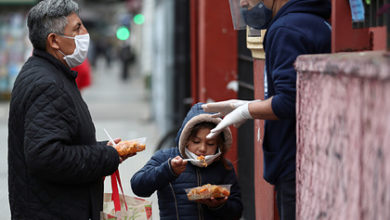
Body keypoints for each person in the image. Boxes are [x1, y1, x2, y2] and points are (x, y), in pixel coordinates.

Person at [203, 0, 331, 219]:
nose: (243, 3)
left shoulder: (285, 29)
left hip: (294, 160)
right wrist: (242, 105)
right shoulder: (308, 21)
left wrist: (246, 110)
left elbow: (290, 101)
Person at [8, 0, 133, 219]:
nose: (85, 33)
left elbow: (57, 139)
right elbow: (47, 156)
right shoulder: (47, 83)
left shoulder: (46, 73)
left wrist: (107, 149)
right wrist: (106, 156)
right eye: (77, 28)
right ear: (54, 41)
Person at [131, 103, 243, 219]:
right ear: (185, 139)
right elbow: (138, 186)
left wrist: (218, 206)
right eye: (196, 141)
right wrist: (168, 170)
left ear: (219, 145)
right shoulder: (165, 158)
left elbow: (237, 211)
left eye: (210, 143)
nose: (202, 149)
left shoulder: (224, 167)